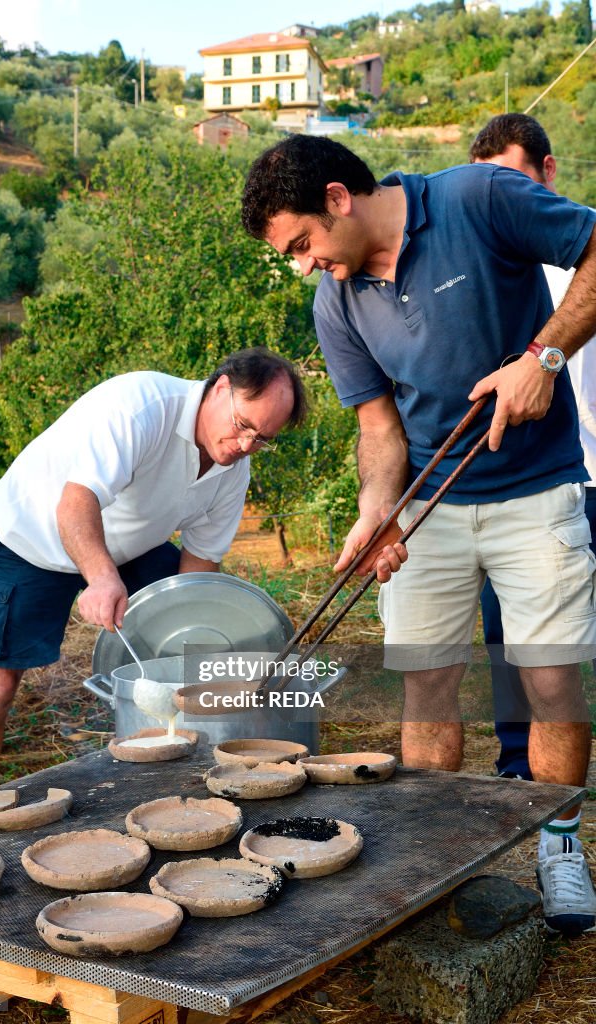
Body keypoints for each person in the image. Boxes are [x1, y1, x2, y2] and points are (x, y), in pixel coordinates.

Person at [241, 135, 596, 935]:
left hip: (536, 493)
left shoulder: (479, 198)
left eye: (301, 244)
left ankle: (560, 847)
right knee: (427, 684)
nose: (302, 265)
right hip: (428, 503)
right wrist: (378, 511)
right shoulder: (335, 300)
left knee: (547, 680)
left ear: (339, 197)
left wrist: (544, 356)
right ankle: (436, 860)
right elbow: (380, 430)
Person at [0, 348, 307, 802]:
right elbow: (75, 503)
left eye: (262, 438)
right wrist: (101, 578)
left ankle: (184, 790)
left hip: (128, 543)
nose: (245, 445)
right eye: (243, 425)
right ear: (220, 389)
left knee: (182, 653)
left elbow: (198, 569)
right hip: (26, 537)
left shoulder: (234, 468)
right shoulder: (141, 407)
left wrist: (186, 647)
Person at [469, 113, 596, 782]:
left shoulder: (578, 257)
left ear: (549, 173)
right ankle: (519, 766)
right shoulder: (491, 272)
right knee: (511, 638)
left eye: (515, 183)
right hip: (528, 481)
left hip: (594, 474)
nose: (504, 205)